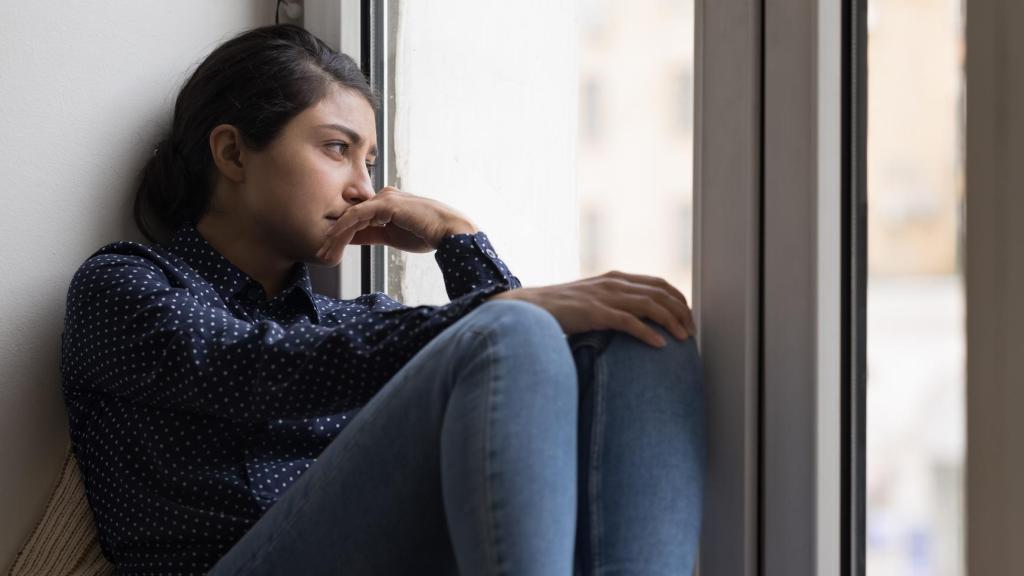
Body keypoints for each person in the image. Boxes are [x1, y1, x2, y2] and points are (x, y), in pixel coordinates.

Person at [60, 23, 706, 576]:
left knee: (641, 333)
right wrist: (497, 314)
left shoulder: (363, 322)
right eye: (337, 149)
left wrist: (457, 236)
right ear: (233, 152)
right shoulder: (126, 285)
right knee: (508, 328)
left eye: (369, 164)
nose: (362, 191)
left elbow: (510, 388)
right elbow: (259, 369)